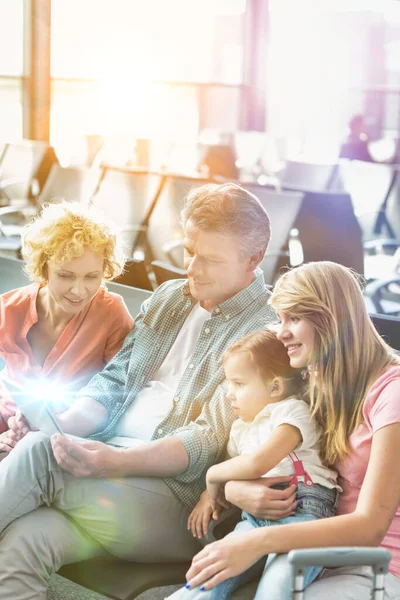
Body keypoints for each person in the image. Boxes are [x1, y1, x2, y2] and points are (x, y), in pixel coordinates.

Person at [0, 182, 283, 600]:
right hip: (107, 480)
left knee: (40, 455)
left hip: (180, 503)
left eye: (210, 260)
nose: (192, 268)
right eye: (189, 251)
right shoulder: (171, 297)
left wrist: (115, 460)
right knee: (22, 543)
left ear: (254, 259)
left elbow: (208, 438)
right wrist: (66, 426)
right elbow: (115, 380)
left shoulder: (265, 331)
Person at [180, 261, 400, 600]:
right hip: (305, 540)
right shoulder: (315, 376)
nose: (281, 332)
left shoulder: (392, 394)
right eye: (280, 318)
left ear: (332, 319)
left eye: (293, 318)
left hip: (374, 566)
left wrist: (256, 541)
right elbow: (273, 453)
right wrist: (236, 489)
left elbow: (370, 527)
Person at [168, 329, 339, 600]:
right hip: (255, 520)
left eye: (239, 384)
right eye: (228, 385)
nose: (229, 395)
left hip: (305, 517)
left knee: (276, 589)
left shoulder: (292, 412)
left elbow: (259, 463)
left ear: (274, 387)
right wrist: (206, 496)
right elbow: (234, 467)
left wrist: (212, 477)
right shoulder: (239, 429)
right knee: (207, 578)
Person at [0, 201, 133, 454]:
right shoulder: (7, 309)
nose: (79, 291)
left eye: (91, 277)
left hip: (64, 437)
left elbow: (122, 392)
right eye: (65, 275)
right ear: (44, 268)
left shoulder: (111, 313)